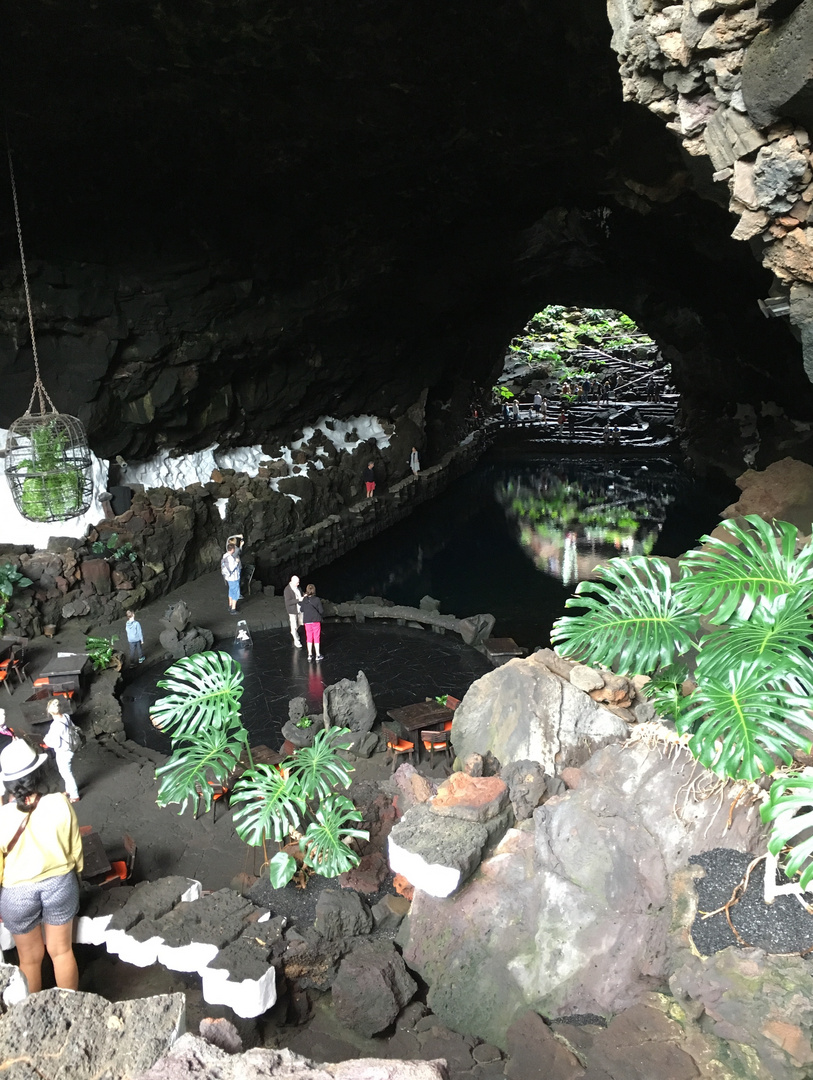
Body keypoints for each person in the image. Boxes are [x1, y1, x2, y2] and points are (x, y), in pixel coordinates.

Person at [0, 739, 83, 992]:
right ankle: (73, 1009)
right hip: (59, 884)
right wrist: (77, 874)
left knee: (29, 959)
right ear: (38, 773)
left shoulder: (2, 817)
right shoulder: (60, 802)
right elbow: (75, 849)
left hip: (17, 892)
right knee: (61, 952)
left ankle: (34, 1015)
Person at [42, 699, 80, 803]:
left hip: (63, 751)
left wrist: (46, 740)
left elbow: (56, 743)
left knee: (66, 773)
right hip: (71, 746)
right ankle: (68, 790)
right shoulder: (66, 716)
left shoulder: (55, 726)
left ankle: (74, 795)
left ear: (49, 711)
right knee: (66, 771)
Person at [300, 584, 324, 662]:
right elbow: (321, 611)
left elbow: (301, 610)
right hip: (315, 620)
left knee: (309, 637)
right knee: (316, 637)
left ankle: (309, 655)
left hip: (307, 621)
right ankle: (317, 655)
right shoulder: (317, 599)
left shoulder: (305, 600)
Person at [220, 535, 243, 614]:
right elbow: (231, 568)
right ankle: (233, 609)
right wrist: (236, 562)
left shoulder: (225, 555)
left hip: (228, 578)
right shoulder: (230, 558)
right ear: (232, 549)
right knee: (236, 593)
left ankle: (230, 605)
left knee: (231, 591)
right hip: (233, 578)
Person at [283, 574, 304, 648]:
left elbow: (300, 594)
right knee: (294, 624)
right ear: (292, 582)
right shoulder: (287, 590)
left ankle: (294, 632)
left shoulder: (298, 587)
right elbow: (288, 602)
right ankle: (296, 640)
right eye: (297, 583)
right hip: (292, 611)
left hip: (299, 609)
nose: (298, 584)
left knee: (300, 623)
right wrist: (299, 600)